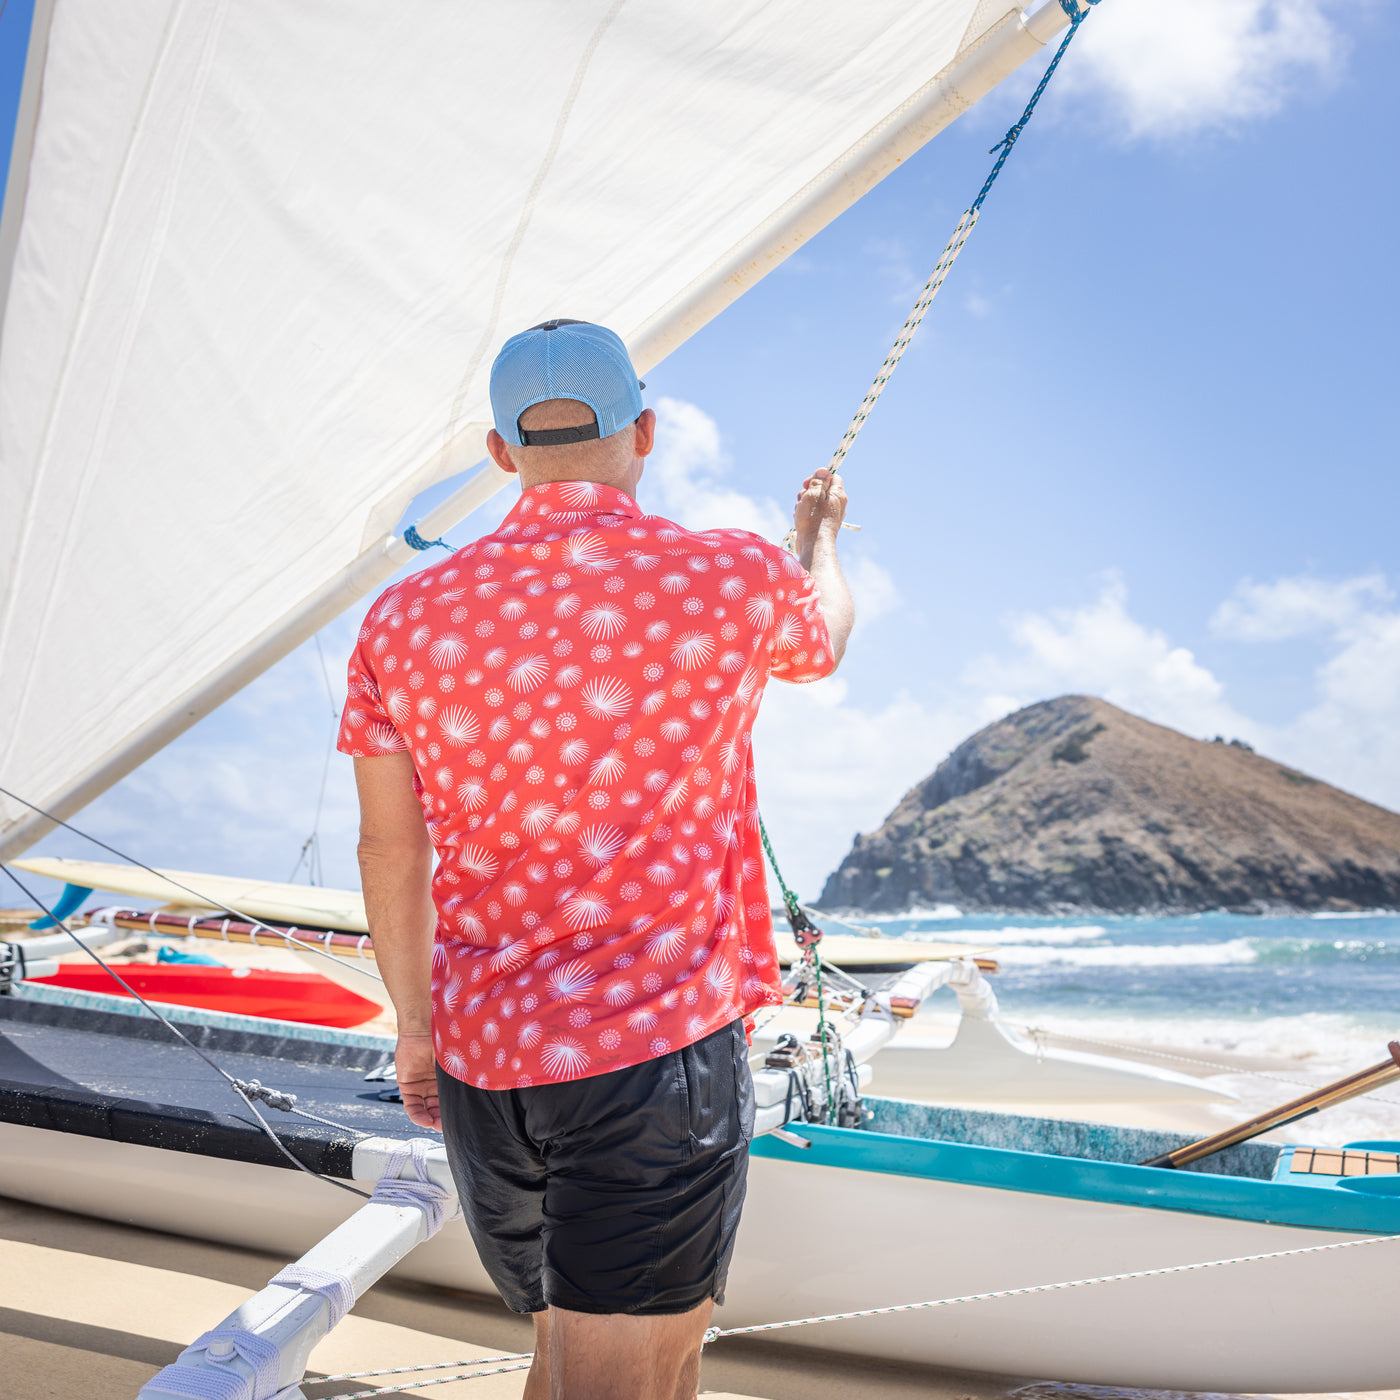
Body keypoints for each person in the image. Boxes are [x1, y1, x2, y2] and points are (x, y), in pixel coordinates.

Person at [340, 319, 853, 1400]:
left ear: (498, 451)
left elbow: (390, 845)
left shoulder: (401, 617)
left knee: (573, 1357)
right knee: (621, 1375)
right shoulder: (729, 574)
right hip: (651, 1053)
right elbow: (823, 637)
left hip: (486, 1065)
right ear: (647, 431)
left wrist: (417, 1029)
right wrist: (818, 539)